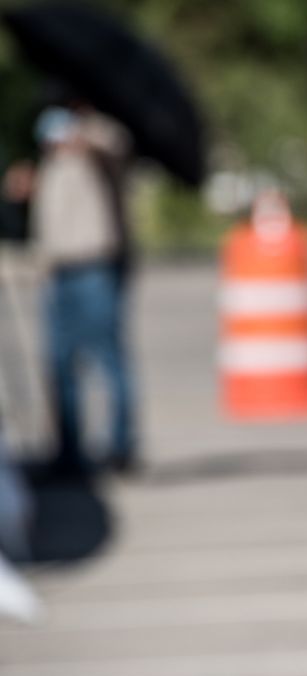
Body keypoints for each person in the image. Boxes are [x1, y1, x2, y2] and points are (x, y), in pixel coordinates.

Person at [29, 103, 137, 476]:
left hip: (94, 267)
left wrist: (83, 133)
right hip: (57, 272)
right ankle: (69, 452)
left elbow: (116, 143)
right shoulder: (50, 163)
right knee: (59, 364)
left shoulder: (96, 147)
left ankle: (122, 447)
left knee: (108, 358)